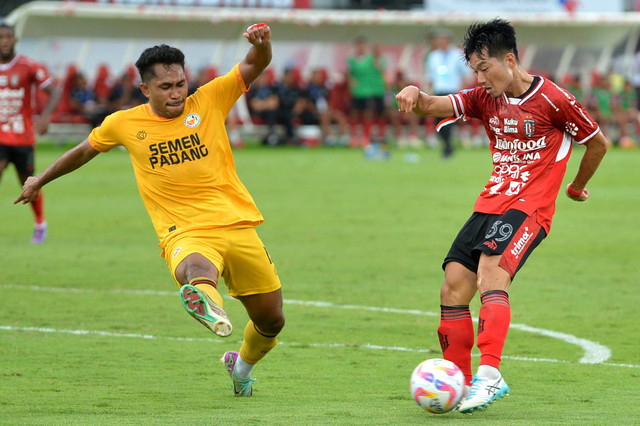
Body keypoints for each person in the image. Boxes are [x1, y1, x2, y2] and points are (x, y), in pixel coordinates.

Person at [15, 24, 284, 397]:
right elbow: (82, 152)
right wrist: (39, 179)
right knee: (197, 270)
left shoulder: (210, 99)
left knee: (271, 321)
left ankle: (240, 368)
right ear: (145, 89)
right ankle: (207, 303)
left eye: (180, 84)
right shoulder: (124, 123)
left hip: (238, 223)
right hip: (184, 231)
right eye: (166, 87)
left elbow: (255, 63)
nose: (177, 94)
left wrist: (264, 44)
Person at [395, 19, 608, 413]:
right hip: (489, 204)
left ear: (509, 59)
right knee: (453, 286)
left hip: (530, 207)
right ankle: (458, 383)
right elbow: (432, 104)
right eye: (474, 70)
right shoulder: (483, 97)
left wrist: (575, 188)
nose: (479, 77)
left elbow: (596, 142)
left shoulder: (554, 99)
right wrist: (414, 92)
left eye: (484, 68)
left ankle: (490, 376)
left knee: (492, 274)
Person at [0, 22, 61, 243]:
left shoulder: (28, 66)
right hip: (0, 136)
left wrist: (45, 116)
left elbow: (54, 91)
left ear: (15, 40)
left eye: (8, 37)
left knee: (28, 184)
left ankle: (40, 222)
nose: (4, 41)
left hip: (22, 136)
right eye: (1, 37)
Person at [424, 28, 473, 158]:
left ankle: (447, 147)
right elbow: (430, 76)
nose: (440, 42)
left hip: (452, 92)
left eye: (443, 39)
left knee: (448, 121)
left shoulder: (457, 54)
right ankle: (447, 145)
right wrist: (429, 93)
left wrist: (461, 91)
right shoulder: (433, 56)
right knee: (437, 122)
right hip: (438, 92)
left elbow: (465, 74)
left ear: (448, 40)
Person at [347, 35, 388, 148]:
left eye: (362, 45)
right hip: (357, 91)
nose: (360, 47)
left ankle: (366, 137)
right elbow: (348, 73)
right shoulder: (351, 59)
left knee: (369, 113)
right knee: (355, 114)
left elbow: (381, 68)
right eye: (358, 44)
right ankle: (354, 137)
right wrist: (351, 81)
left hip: (369, 91)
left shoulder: (372, 58)